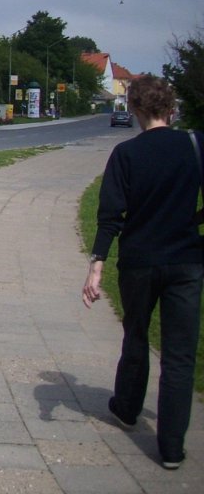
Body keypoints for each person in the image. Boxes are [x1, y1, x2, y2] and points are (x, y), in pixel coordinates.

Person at [82, 75, 203, 470]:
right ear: (170, 107)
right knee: (180, 355)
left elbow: (110, 216)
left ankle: (128, 408)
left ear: (133, 109)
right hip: (186, 261)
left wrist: (96, 266)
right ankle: (170, 447)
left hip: (138, 261)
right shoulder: (194, 145)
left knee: (135, 338)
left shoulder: (126, 155)